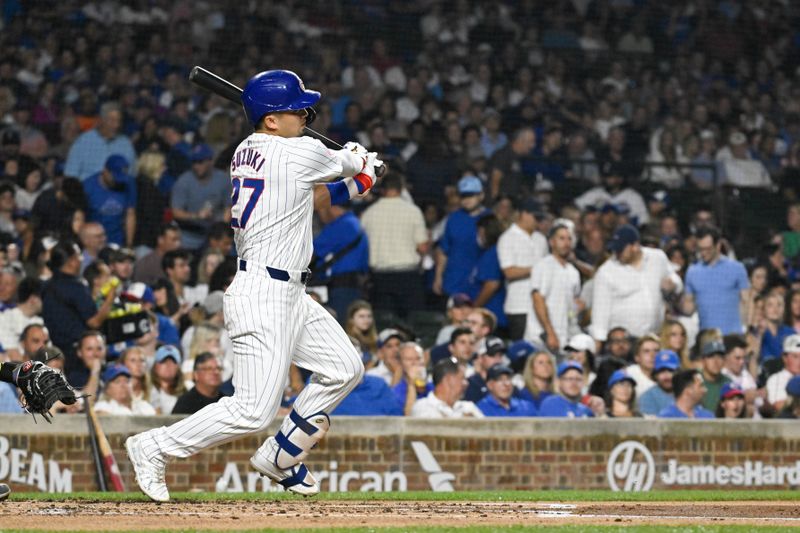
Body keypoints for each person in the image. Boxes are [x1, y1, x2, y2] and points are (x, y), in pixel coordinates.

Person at [126, 69, 377, 501]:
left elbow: (316, 195)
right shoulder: (295, 154)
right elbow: (347, 165)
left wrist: (361, 178)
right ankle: (154, 446)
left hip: (291, 291)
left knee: (344, 367)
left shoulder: (249, 150)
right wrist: (362, 161)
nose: (305, 113)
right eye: (296, 108)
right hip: (263, 292)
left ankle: (280, 457)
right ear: (271, 120)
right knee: (252, 410)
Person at [589, 224, 682, 342]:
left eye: (621, 249)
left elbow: (675, 279)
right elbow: (600, 315)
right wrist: (598, 342)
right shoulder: (606, 272)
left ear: (635, 246)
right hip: (625, 342)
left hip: (656, 336)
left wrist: (673, 284)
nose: (617, 254)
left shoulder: (657, 257)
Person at [360, 172, 428, 319]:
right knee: (411, 322)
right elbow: (422, 247)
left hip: (380, 277)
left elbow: (362, 247)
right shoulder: (413, 211)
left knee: (383, 323)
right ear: (401, 189)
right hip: (408, 276)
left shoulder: (368, 214)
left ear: (382, 190)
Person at [41, 240, 115, 364]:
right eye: (79, 255)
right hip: (79, 356)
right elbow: (94, 322)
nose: (82, 259)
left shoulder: (47, 285)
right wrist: (111, 297)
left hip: (57, 354)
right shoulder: (75, 286)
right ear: (72, 261)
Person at [497, 198, 548, 340]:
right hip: (518, 305)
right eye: (535, 217)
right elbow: (508, 271)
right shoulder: (508, 238)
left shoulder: (541, 239)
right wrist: (536, 269)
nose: (538, 221)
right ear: (524, 214)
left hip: (541, 304)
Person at [526, 222, 582, 351]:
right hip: (540, 338)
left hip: (563, 337)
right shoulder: (543, 266)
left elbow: (572, 306)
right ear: (552, 242)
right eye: (561, 238)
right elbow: (538, 299)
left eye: (569, 239)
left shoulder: (573, 272)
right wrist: (550, 332)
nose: (566, 243)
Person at [684, 226, 750, 335]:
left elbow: (746, 301)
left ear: (718, 246)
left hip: (733, 335)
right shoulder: (692, 272)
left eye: (707, 249)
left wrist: (746, 328)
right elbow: (688, 307)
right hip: (706, 336)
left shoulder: (737, 268)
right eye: (700, 249)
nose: (703, 253)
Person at [312, 203, 369, 323]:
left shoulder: (341, 225)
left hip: (341, 288)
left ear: (334, 208)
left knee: (336, 326)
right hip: (354, 285)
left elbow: (310, 252)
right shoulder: (354, 222)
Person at [433, 175, 490, 297]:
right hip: (454, 282)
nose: (466, 199)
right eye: (463, 196)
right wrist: (438, 277)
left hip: (479, 284)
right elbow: (444, 250)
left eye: (471, 195)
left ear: (481, 195)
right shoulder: (453, 218)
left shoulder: (489, 219)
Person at [170, 144, 231, 250]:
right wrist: (197, 216)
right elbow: (176, 212)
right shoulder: (184, 181)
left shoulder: (223, 180)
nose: (196, 166)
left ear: (210, 161)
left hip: (214, 234)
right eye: (194, 162)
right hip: (188, 234)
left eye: (200, 162)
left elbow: (228, 208)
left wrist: (221, 228)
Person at [64, 101, 136, 181]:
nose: (116, 125)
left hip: (117, 191)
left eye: (118, 121)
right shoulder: (83, 142)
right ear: (101, 120)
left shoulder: (126, 144)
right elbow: (70, 175)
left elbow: (131, 176)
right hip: (87, 191)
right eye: (112, 121)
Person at [83, 154, 137, 247]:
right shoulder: (88, 187)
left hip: (117, 240)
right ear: (105, 171)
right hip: (94, 241)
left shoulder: (128, 184)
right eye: (114, 177)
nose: (117, 181)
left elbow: (130, 214)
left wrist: (129, 244)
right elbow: (81, 218)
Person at [410, 357, 483, 418]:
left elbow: (489, 431)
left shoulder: (468, 407)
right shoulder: (423, 407)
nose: (466, 383)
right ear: (448, 379)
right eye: (462, 378)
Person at [0, 276, 43, 354]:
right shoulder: (5, 318)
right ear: (33, 299)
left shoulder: (40, 322)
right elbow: (12, 354)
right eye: (43, 298)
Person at [133, 222, 182, 286]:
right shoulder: (146, 265)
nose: (178, 244)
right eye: (174, 240)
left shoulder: (181, 263)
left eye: (179, 240)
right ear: (160, 240)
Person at [638, 349, 680, 416]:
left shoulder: (687, 394)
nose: (667, 376)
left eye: (670, 371)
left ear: (678, 372)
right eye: (662, 371)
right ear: (655, 375)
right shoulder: (647, 397)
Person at [464, 336, 506, 402]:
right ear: (480, 358)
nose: (498, 360)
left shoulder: (508, 384)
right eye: (492, 355)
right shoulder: (469, 385)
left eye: (500, 355)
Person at [766, 334, 800, 412]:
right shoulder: (775, 379)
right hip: (785, 421)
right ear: (785, 358)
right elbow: (777, 406)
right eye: (795, 356)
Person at [149, 345, 186, 415]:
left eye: (173, 361)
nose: (169, 365)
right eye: (164, 361)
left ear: (178, 367)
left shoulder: (187, 390)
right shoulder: (147, 390)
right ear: (155, 366)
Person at [698, 339, 732, 413]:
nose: (716, 361)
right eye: (711, 356)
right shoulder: (693, 379)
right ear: (703, 360)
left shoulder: (728, 383)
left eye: (720, 356)